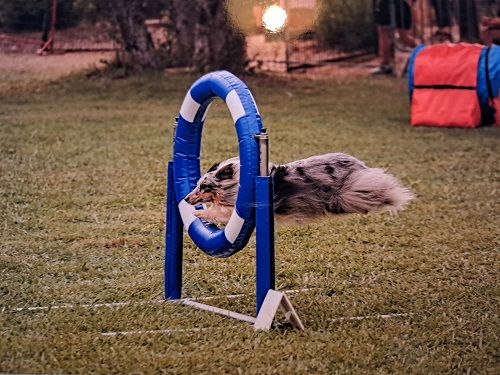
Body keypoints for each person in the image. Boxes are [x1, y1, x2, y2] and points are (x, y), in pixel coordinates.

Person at [371, 0, 417, 75]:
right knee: (403, 36)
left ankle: (385, 65)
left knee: (384, 33)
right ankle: (424, 52)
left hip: (390, 4)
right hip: (401, 5)